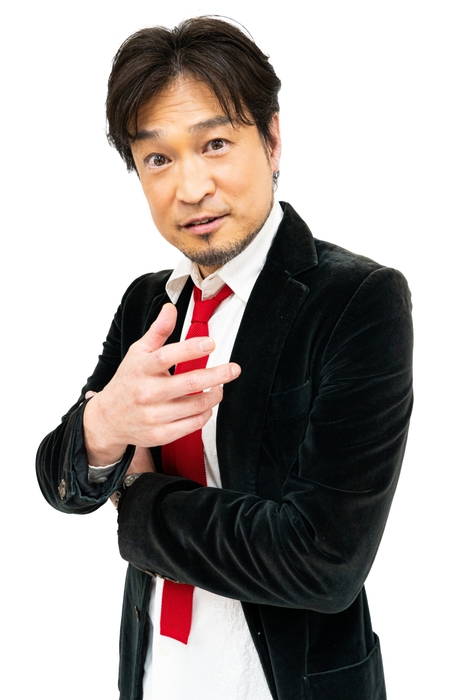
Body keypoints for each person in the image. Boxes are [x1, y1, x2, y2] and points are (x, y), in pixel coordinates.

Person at [36, 16, 413, 700]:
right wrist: (103, 427)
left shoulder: (356, 300)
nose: (191, 188)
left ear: (271, 139)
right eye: (158, 158)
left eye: (214, 144)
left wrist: (138, 501)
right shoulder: (148, 302)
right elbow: (61, 484)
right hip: (155, 674)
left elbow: (324, 561)